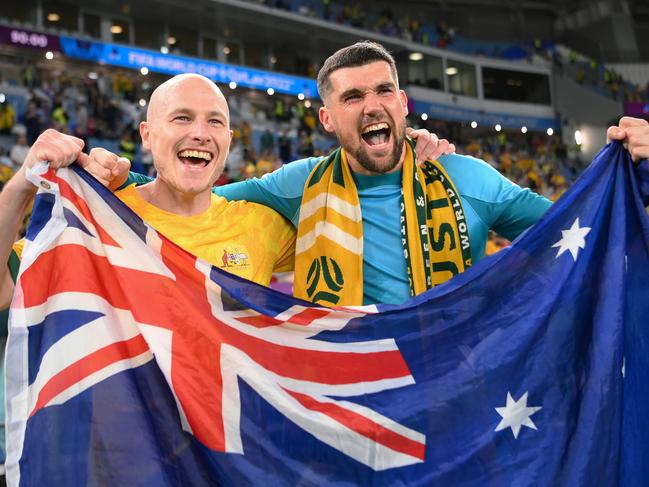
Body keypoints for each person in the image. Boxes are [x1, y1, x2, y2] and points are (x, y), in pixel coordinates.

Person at [114, 42, 649, 307]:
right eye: (352, 97)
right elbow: (188, 198)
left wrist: (638, 173)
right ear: (327, 119)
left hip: (466, 396)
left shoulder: (466, 176)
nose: (372, 106)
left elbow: (591, 230)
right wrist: (110, 176)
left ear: (403, 102)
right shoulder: (295, 184)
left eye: (383, 91)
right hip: (354, 401)